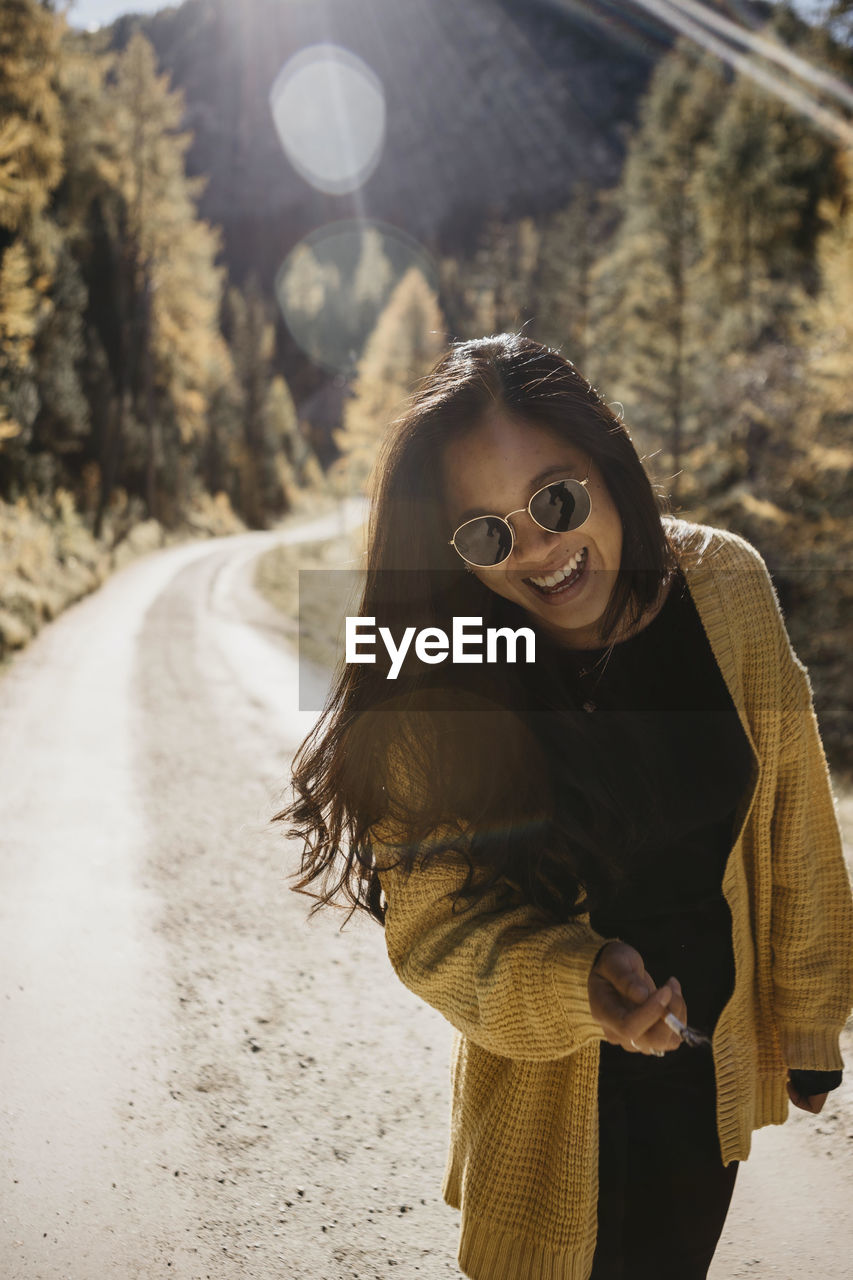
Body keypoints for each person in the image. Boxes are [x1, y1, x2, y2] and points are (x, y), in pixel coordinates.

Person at [277, 333, 853, 1280]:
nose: (538, 551)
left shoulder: (725, 590)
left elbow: (791, 812)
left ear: (608, 463)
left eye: (556, 499)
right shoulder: (450, 658)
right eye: (487, 534)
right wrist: (577, 984)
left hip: (701, 1079)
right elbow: (433, 931)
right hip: (543, 1102)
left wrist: (806, 1016)